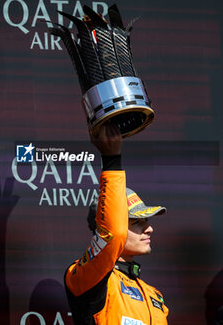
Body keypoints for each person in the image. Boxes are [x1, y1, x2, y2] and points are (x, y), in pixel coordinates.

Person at [64, 123, 169, 324]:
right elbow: (113, 234)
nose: (150, 228)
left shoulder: (154, 295)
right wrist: (111, 160)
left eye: (146, 221)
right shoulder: (86, 277)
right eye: (137, 222)